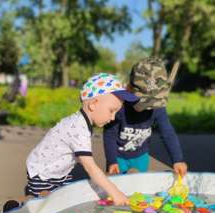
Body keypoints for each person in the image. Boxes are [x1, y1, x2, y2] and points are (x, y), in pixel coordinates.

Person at [25, 73, 139, 205]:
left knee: (65, 199)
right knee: (42, 205)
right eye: (111, 110)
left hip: (59, 171)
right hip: (42, 172)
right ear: (93, 104)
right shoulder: (78, 128)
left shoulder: (82, 122)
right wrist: (115, 193)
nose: (113, 117)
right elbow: (90, 167)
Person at [103, 57, 188, 176]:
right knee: (118, 188)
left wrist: (178, 159)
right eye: (144, 102)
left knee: (140, 188)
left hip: (141, 156)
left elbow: (168, 133)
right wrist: (112, 160)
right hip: (119, 156)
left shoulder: (158, 108)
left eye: (152, 103)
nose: (148, 107)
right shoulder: (120, 106)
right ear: (129, 88)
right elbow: (109, 133)